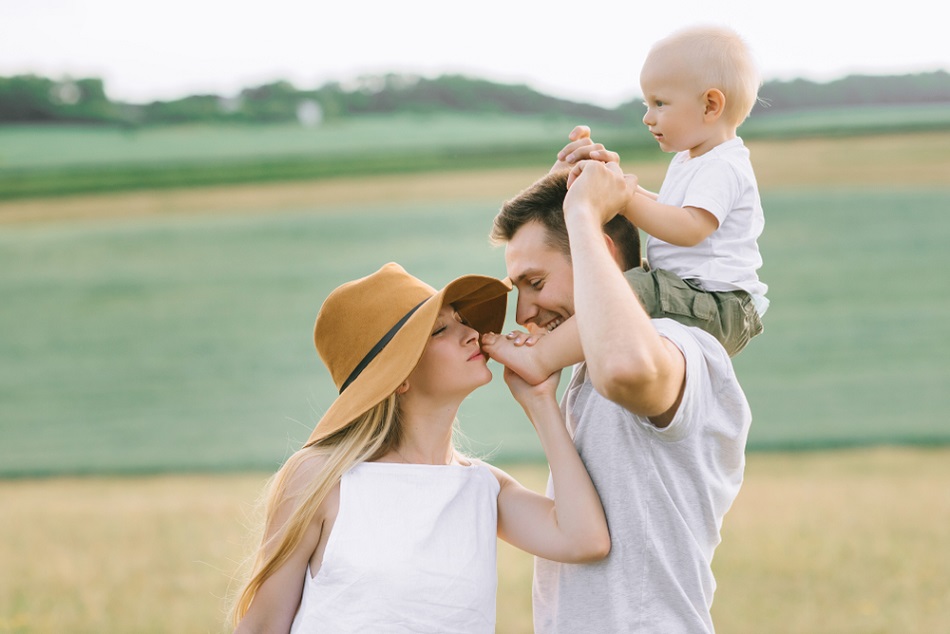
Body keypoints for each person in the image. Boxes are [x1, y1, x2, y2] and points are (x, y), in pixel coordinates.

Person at [230, 262, 610, 633]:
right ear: (398, 377)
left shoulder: (482, 488)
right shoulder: (322, 479)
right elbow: (263, 625)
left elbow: (586, 539)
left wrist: (540, 401)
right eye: (441, 330)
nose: (472, 334)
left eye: (461, 319)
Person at [482, 159, 752, 633]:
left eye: (536, 283)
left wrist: (583, 214)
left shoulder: (681, 344)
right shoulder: (588, 374)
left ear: (600, 254)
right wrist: (542, 402)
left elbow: (626, 369)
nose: (523, 311)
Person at [556, 25, 769, 357]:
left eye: (659, 103)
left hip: (719, 304)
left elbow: (689, 228)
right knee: (618, 282)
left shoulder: (723, 166)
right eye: (646, 103)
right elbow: (670, 209)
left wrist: (625, 201)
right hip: (693, 295)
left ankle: (542, 356)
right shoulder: (693, 159)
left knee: (623, 290)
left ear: (710, 106)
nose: (647, 117)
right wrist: (619, 185)